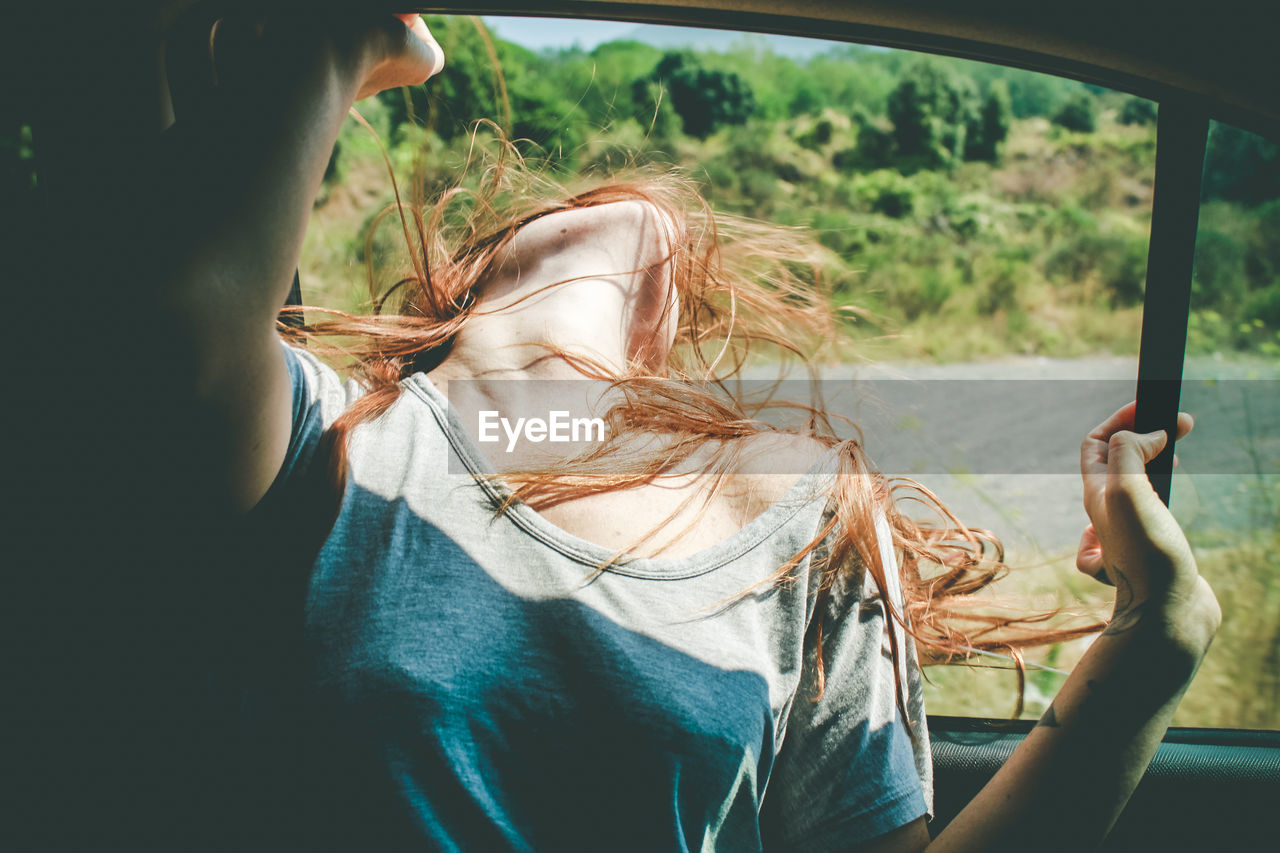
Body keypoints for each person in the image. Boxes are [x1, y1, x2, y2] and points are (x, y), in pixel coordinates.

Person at [48, 9, 1218, 852]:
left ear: (658, 346)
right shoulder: (329, 424)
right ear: (464, 283)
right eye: (560, 209)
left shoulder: (802, 517)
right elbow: (172, 334)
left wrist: (1153, 645)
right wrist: (340, 38)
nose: (623, 204)